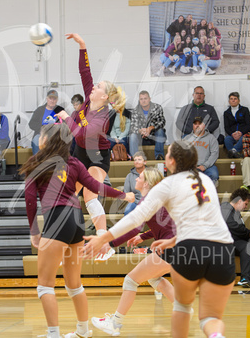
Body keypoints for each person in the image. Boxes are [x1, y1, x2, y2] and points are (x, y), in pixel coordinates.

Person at [83, 140, 236, 338]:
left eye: (168, 154)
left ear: (171, 161)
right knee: (210, 318)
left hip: (188, 248)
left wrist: (105, 240)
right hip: (223, 249)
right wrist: (171, 240)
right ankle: (216, 335)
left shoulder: (166, 185)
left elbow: (135, 220)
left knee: (178, 307)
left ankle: (116, 322)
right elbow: (203, 220)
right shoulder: (206, 180)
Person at [21, 123, 134, 338]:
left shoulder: (37, 161)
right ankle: (83, 330)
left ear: (46, 140)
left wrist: (34, 230)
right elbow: (96, 186)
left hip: (56, 220)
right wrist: (122, 195)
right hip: (76, 221)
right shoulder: (74, 163)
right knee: (74, 284)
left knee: (44, 286)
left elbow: (29, 200)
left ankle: (53, 334)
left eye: (41, 136)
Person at [56, 33, 127, 239]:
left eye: (98, 87)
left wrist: (67, 117)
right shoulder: (89, 98)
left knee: (89, 196)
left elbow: (81, 135)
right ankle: (64, 240)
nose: (94, 86)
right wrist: (82, 46)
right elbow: (84, 71)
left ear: (104, 96)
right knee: (67, 196)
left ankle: (103, 241)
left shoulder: (105, 116)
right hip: (80, 154)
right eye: (95, 86)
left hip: (97, 157)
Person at [91, 167, 176, 336]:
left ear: (147, 183)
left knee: (130, 281)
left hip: (171, 247)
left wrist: (110, 243)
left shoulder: (148, 201)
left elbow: (133, 227)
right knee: (154, 278)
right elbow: (163, 225)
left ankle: (115, 323)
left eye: (140, 177)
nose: (136, 179)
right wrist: (143, 237)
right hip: (180, 247)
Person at [220, 188, 250, 287]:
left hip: (233, 241)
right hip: (223, 242)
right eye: (246, 204)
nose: (246, 207)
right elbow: (232, 225)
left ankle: (245, 279)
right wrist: (248, 234)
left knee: (246, 247)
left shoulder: (236, 212)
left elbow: (239, 229)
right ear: (239, 201)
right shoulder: (225, 208)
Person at [128, 90, 166, 160]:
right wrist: (141, 131)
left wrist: (150, 128)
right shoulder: (136, 110)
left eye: (145, 98)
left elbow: (162, 121)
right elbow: (133, 127)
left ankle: (159, 156)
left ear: (149, 99)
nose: (143, 101)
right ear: (139, 100)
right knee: (132, 135)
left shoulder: (157, 107)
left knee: (160, 131)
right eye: (141, 99)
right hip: (141, 137)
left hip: (154, 135)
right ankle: (135, 157)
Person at [29, 90, 65, 155]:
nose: (52, 100)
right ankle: (37, 162)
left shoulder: (60, 110)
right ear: (47, 99)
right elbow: (31, 124)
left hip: (55, 135)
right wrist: (43, 128)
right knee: (36, 141)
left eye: (54, 99)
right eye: (50, 98)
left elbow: (65, 124)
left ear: (57, 100)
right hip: (41, 134)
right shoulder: (39, 110)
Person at [190, 117, 220, 184]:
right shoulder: (186, 139)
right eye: (195, 124)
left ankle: (211, 193)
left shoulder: (211, 138)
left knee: (214, 174)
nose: (197, 125)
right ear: (193, 126)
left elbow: (214, 154)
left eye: (199, 124)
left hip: (208, 166)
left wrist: (205, 166)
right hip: (191, 167)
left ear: (204, 125)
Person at [223, 92, 250, 158]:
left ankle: (232, 152)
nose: (233, 100)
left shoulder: (245, 110)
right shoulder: (226, 113)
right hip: (232, 135)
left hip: (243, 134)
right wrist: (232, 134)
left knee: (244, 138)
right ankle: (236, 155)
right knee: (227, 139)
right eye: (231, 99)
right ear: (229, 101)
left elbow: (248, 124)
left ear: (239, 100)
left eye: (235, 99)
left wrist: (241, 133)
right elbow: (226, 127)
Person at [122, 151, 146, 215]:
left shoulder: (150, 174)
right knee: (128, 210)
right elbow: (127, 193)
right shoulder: (129, 176)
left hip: (149, 201)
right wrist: (137, 202)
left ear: (145, 162)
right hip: (134, 202)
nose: (137, 161)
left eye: (139, 159)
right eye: (135, 160)